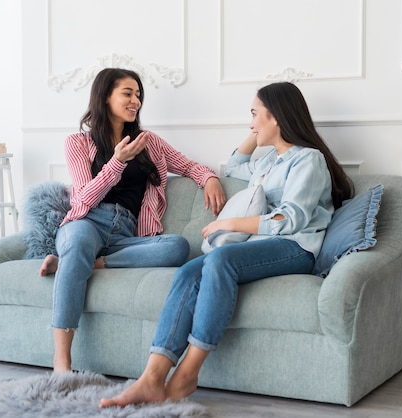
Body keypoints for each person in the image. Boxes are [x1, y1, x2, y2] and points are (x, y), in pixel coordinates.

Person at [100, 81, 353, 408]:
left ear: (276, 117)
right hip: (264, 243)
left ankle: (188, 372)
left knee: (221, 260)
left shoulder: (308, 159)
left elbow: (292, 219)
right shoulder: (269, 162)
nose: (250, 122)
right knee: (190, 271)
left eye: (254, 114)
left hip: (296, 248)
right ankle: (151, 378)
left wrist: (229, 223)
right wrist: (261, 131)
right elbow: (233, 165)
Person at [48, 68, 226, 373]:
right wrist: (117, 162)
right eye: (127, 94)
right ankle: (62, 360)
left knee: (177, 247)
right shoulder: (77, 143)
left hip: (127, 233)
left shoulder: (148, 142)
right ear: (105, 97)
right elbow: (83, 199)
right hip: (87, 223)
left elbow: (188, 165)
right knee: (77, 242)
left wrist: (208, 177)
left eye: (139, 95)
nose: (136, 101)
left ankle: (86, 262)